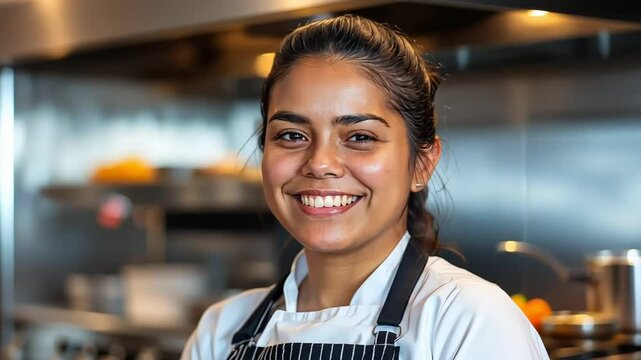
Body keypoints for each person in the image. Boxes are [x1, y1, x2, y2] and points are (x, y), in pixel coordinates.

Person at [181, 15, 549, 360]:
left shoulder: (468, 319)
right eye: (292, 135)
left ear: (422, 163)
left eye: (359, 136)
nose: (320, 163)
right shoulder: (221, 330)